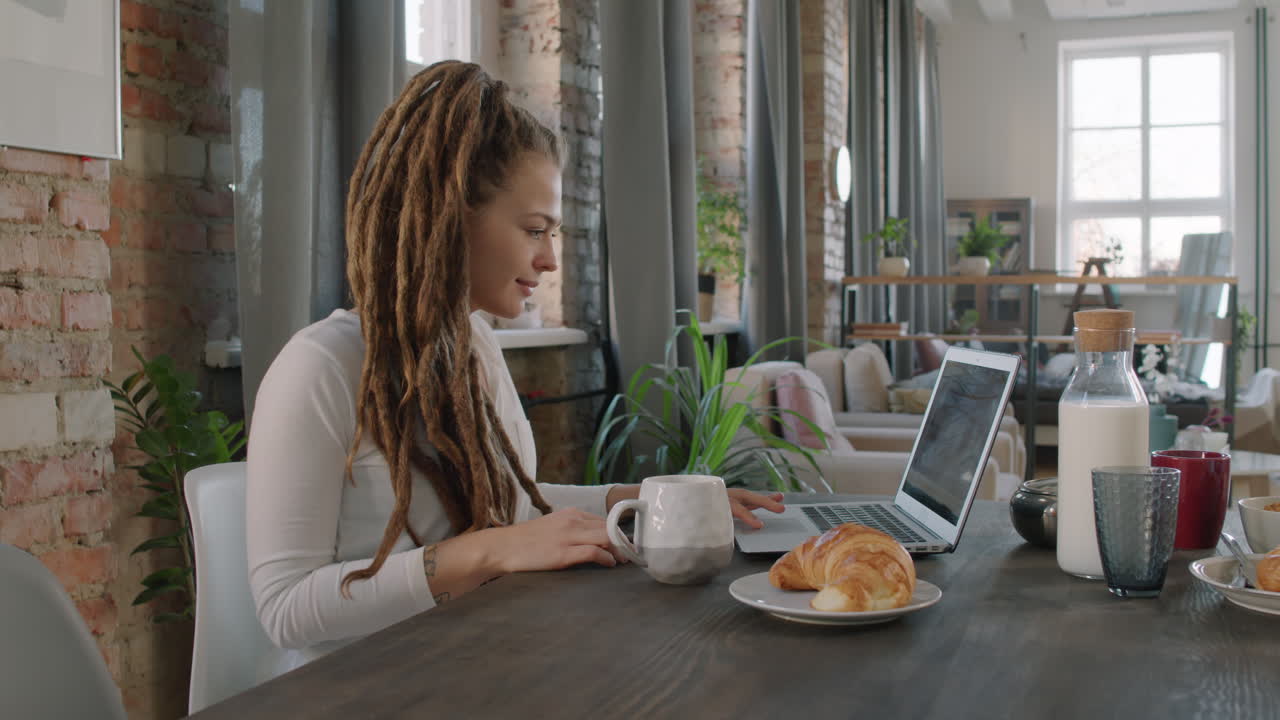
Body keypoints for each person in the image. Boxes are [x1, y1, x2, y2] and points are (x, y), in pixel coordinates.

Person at [245, 60, 785, 673]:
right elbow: (285, 608)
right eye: (534, 229)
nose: (550, 260)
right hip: (363, 687)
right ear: (451, 216)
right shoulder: (319, 367)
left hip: (472, 659)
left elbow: (511, 506)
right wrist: (488, 553)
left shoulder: (473, 344)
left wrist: (648, 499)